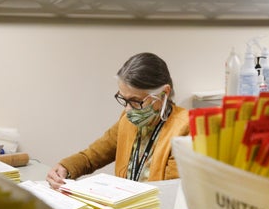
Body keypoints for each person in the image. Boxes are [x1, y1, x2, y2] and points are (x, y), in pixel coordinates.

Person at [46, 52, 190, 190]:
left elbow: (171, 192)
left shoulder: (185, 128)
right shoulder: (128, 121)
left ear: (164, 93)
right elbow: (92, 156)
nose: (128, 109)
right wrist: (65, 167)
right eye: (124, 100)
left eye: (136, 101)